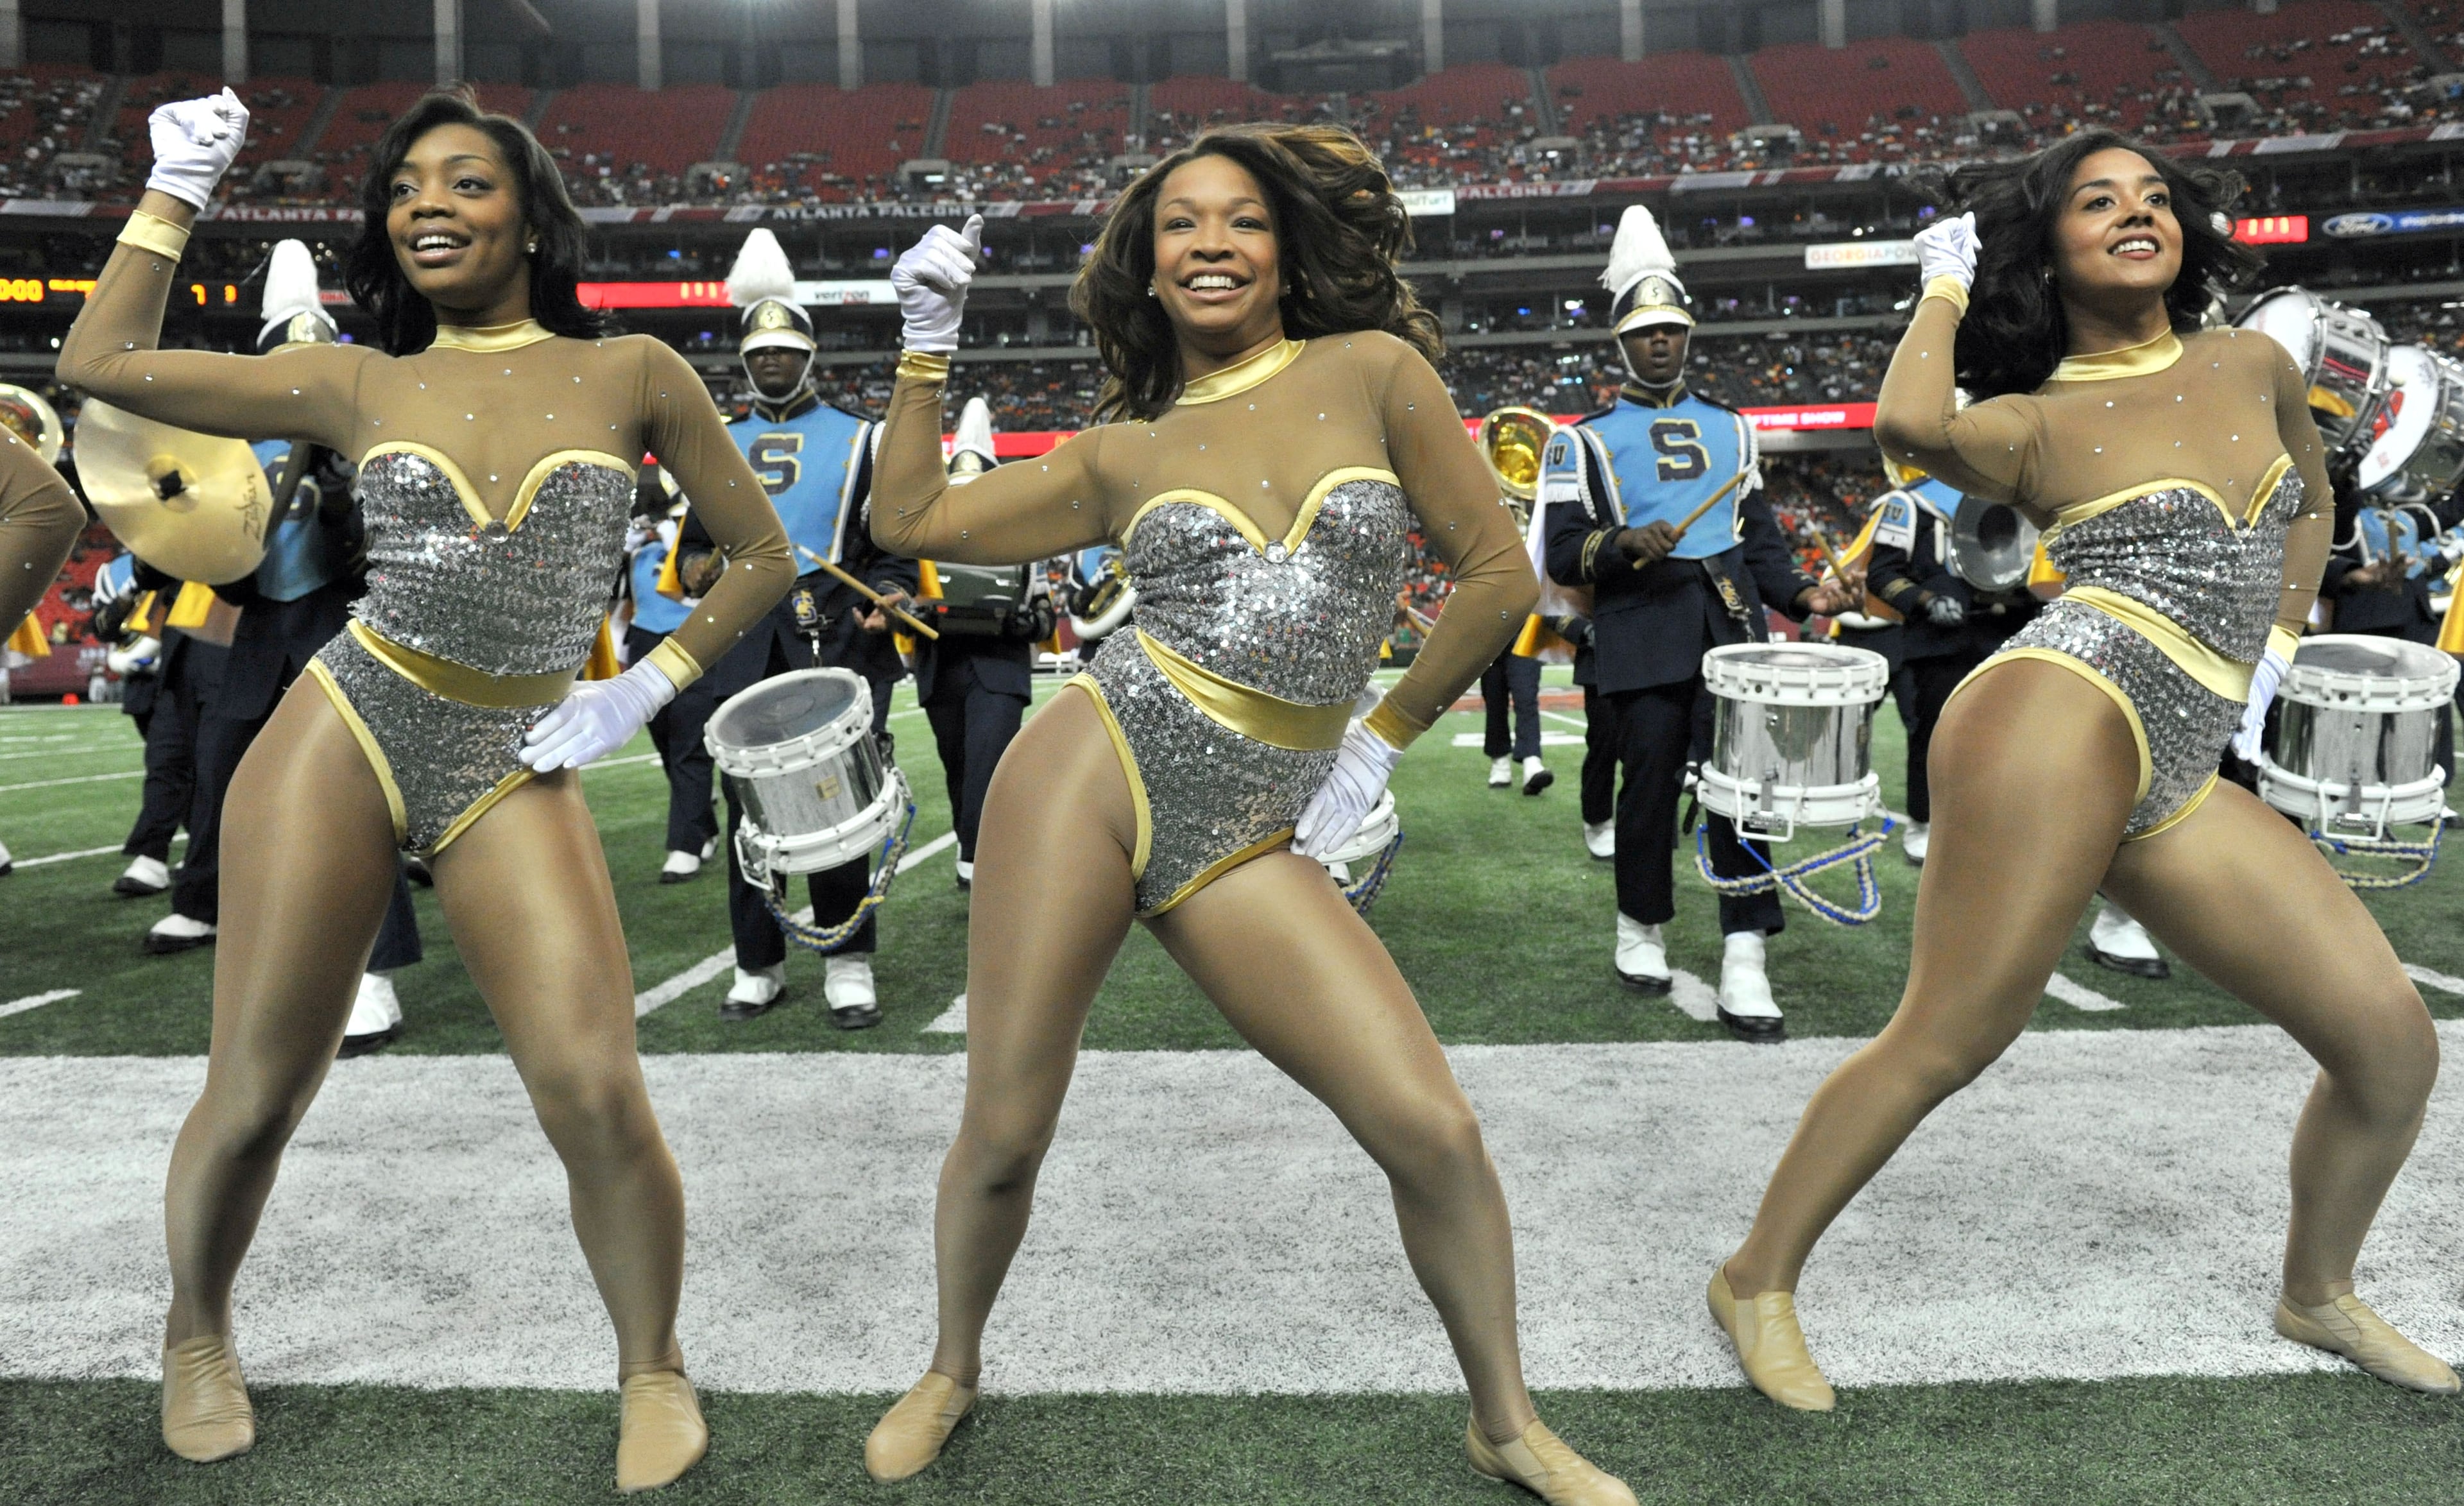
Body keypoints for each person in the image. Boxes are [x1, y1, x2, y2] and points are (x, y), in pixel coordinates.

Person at [859, 126, 1636, 1505]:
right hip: (1094, 772)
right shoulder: (1121, 448)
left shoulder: (1375, 374)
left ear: (1286, 255)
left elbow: (1496, 577)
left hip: (1256, 827)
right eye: (1179, 225)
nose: (1209, 241)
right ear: (1147, 272)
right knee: (1006, 1131)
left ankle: (1504, 1419)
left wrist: (1380, 746)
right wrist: (927, 340)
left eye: (1241, 221)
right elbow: (911, 511)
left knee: (1433, 1129)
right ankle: (951, 1365)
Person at [60, 88, 794, 1486]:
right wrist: (176, 187)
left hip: (514, 755)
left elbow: (757, 558)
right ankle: (198, 1332)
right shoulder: (356, 380)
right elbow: (101, 362)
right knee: (263, 1087)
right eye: (406, 189)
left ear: (529, 213)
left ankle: (654, 1365)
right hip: (348, 725)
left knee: (592, 1087)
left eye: (465, 181)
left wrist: (648, 682)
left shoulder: (637, 368)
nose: (430, 205)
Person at [1710, 130, 2454, 1412]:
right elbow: (1903, 422)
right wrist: (1942, 279)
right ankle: (1756, 1277)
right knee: (1956, 1031)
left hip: (2177, 759)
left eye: (2155, 196)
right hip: (2063, 707)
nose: (2136, 212)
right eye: (2098, 201)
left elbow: (2314, 498)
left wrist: (2280, 633)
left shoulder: (2256, 363)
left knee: (2388, 1045)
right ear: (2044, 247)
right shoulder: (2029, 419)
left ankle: (2317, 1290)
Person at [1539, 205, 1859, 1043]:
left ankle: (1746, 946)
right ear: (1619, 342)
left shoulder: (1734, 427)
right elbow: (1565, 553)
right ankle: (1639, 925)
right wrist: (1623, 543)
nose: (1659, 343)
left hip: (1736, 631)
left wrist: (1804, 598)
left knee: (1743, 794)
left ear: (1690, 334)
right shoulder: (1585, 443)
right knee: (1645, 788)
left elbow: (1759, 542)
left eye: (1671, 329)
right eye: (1644, 331)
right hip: (1643, 628)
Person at [668, 227, 918, 1027]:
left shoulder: (861, 438)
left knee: (833, 805)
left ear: (810, 355)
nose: (772, 362)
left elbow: (891, 550)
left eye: (786, 350)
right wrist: (707, 570)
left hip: (835, 639)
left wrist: (891, 593)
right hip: (746, 645)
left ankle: (848, 961)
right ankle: (759, 963)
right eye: (758, 352)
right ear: (742, 362)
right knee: (750, 816)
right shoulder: (718, 443)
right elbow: (694, 556)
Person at [916, 396, 1054, 888]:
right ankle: (967, 841)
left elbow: (1043, 616)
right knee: (957, 765)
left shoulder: (1024, 540)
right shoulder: (926, 542)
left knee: (989, 762)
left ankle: (982, 857)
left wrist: (1018, 622)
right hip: (942, 663)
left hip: (998, 665)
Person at [620, 467, 719, 883]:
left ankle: (687, 844)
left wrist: (669, 533)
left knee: (687, 743)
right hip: (646, 642)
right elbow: (622, 601)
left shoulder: (690, 526)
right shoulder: (633, 544)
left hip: (691, 637)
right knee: (665, 740)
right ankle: (703, 823)